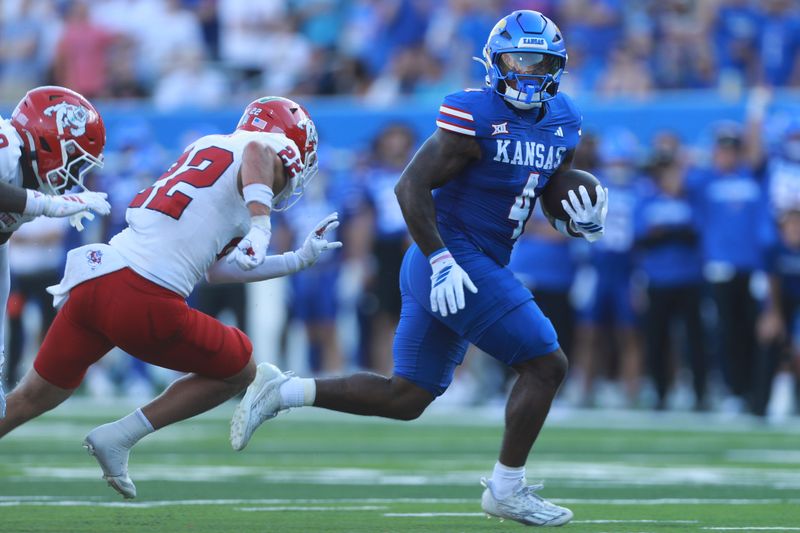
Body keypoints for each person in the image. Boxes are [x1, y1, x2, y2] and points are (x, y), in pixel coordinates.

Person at [230, 11, 608, 527]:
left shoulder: (562, 121)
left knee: (406, 397)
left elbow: (542, 186)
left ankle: (285, 390)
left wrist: (576, 217)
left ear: (556, 66)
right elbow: (410, 185)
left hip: (466, 262)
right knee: (546, 364)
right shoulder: (475, 114)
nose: (526, 70)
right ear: (495, 62)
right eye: (517, 58)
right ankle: (507, 488)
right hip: (451, 257)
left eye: (538, 61)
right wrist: (443, 260)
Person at [0, 97, 342, 500]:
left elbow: (214, 269)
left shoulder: (209, 148)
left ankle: (113, 439)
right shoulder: (258, 148)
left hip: (96, 279)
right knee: (242, 367)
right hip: (142, 296)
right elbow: (258, 150)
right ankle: (119, 437)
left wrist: (293, 260)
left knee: (30, 398)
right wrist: (261, 228)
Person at [0, 85, 111, 418]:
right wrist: (46, 205)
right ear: (49, 139)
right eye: (74, 159)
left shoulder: (24, 184)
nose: (74, 175)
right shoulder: (6, 145)